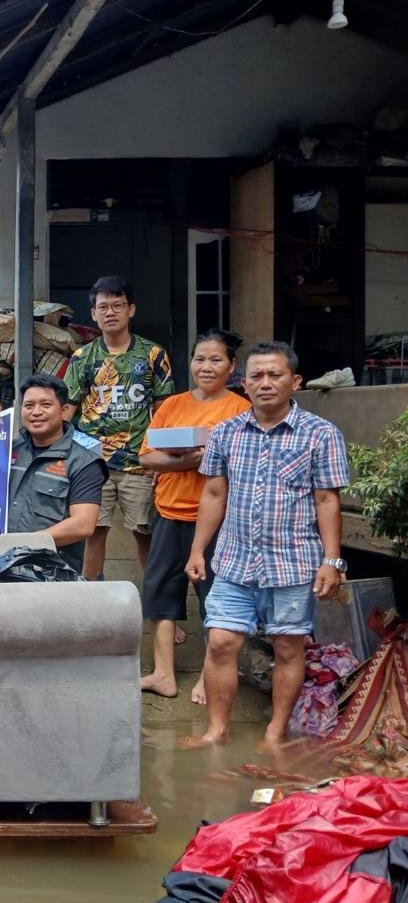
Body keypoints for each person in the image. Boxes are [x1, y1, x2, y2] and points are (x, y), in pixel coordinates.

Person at [183, 341, 349, 749]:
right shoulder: (226, 433)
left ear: (294, 381)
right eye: (256, 376)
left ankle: (274, 733)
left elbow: (327, 500)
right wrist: (197, 550)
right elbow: (214, 495)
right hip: (235, 561)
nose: (265, 383)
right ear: (244, 383)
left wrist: (333, 561)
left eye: (275, 375)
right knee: (221, 642)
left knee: (289, 647)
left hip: (293, 563)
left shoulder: (321, 434)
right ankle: (216, 730)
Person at [137, 330, 251, 701]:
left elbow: (245, 464)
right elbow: (145, 457)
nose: (206, 366)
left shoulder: (240, 409)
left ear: (231, 367)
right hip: (168, 512)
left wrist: (209, 455)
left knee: (214, 599)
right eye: (200, 359)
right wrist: (187, 459)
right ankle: (163, 674)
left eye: (216, 360)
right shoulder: (171, 405)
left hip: (218, 521)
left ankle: (208, 677)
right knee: (159, 595)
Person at [65, 275, 175, 581]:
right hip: (91, 463)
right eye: (103, 307)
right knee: (92, 533)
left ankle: (159, 609)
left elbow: (164, 411)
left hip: (138, 463)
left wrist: (161, 459)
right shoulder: (81, 358)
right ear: (94, 313)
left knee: (145, 534)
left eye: (117, 305)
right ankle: (90, 606)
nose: (110, 312)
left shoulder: (153, 355)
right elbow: (67, 410)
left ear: (131, 310)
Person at [6, 374, 108, 572]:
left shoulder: (83, 462)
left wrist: (22, 545)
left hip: (51, 571)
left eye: (45, 405)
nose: (36, 412)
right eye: (29, 406)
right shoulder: (8, 451)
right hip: (0, 564)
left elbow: (83, 525)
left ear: (63, 410)